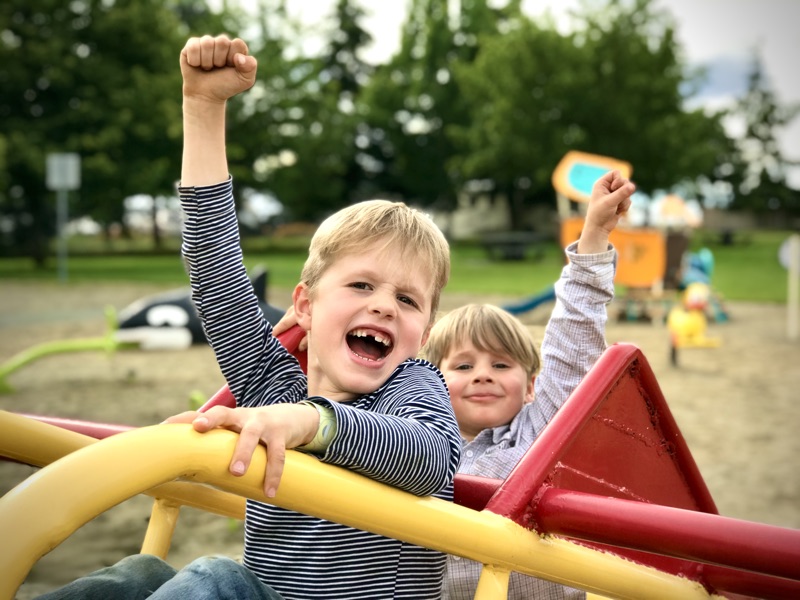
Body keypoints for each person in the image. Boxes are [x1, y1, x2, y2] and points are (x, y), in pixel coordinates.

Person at [37, 34, 461, 600]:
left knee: (217, 576)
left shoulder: (412, 388)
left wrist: (308, 422)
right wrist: (204, 108)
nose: (384, 304)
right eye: (361, 285)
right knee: (141, 574)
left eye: (408, 300)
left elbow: (430, 459)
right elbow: (213, 268)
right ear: (305, 307)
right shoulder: (271, 383)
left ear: (424, 332)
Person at [421, 168, 634, 599]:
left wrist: (593, 233)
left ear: (532, 386)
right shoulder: (415, 442)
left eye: (501, 365)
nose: (482, 374)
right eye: (462, 367)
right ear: (431, 381)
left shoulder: (542, 432)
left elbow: (573, 343)